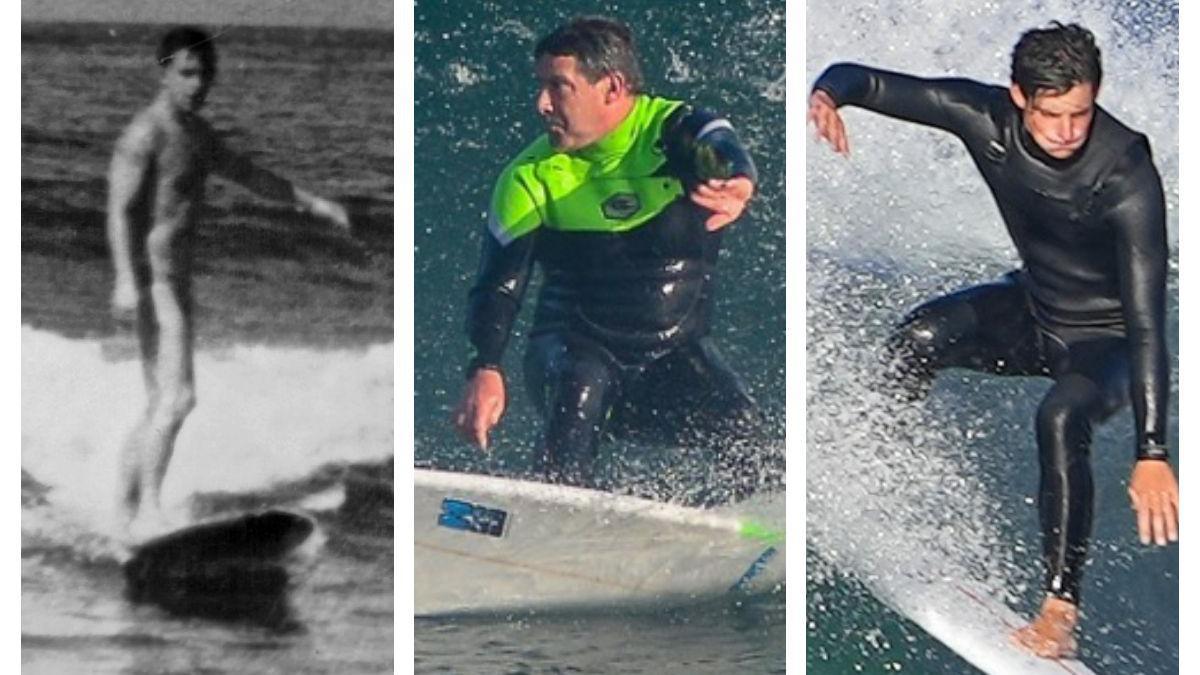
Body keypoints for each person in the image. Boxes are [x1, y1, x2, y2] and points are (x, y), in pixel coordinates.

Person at [809, 22, 1177, 658]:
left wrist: (1151, 450)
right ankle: (878, 475)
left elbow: (1147, 322)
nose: (1066, 130)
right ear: (1017, 97)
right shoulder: (983, 117)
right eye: (1050, 114)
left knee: (1061, 416)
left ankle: (1060, 609)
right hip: (1034, 309)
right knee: (917, 338)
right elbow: (868, 81)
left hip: (1106, 342)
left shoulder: (1126, 172)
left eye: (1080, 113)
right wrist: (826, 96)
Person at [452, 16, 764, 499]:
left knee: (746, 431)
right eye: (541, 86)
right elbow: (499, 284)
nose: (542, 104)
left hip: (670, 357)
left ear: (612, 88)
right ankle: (552, 519)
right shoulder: (530, 176)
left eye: (559, 87)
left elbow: (720, 143)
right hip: (572, 349)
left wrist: (739, 180)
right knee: (581, 386)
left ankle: (746, 531)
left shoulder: (671, 132)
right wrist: (485, 367)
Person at [107, 26, 350, 539]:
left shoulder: (197, 135)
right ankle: (148, 512)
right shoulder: (144, 134)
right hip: (155, 285)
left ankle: (121, 515)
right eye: (186, 74)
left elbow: (250, 174)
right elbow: (119, 210)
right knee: (178, 399)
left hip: (178, 283)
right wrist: (126, 280)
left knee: (160, 402)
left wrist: (313, 202)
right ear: (165, 73)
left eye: (204, 75)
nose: (197, 85)